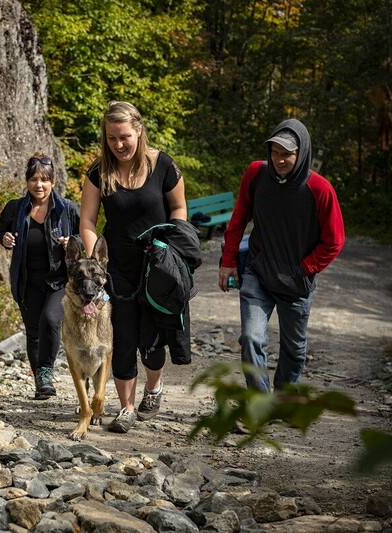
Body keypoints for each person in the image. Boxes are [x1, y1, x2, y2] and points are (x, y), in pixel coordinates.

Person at [79, 101, 188, 433]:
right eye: (111, 138)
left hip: (157, 266)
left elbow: (179, 208)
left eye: (124, 137)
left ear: (138, 130)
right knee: (122, 337)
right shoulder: (99, 172)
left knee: (152, 340)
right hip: (117, 268)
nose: (118, 145)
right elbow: (87, 220)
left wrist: (171, 245)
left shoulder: (163, 165)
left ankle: (153, 388)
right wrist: (94, 262)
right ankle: (126, 408)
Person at [218, 118, 345, 392]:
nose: (279, 160)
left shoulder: (320, 189)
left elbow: (334, 241)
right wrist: (228, 262)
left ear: (302, 153)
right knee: (251, 339)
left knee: (294, 349)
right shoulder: (256, 174)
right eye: (275, 152)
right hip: (258, 272)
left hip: (296, 282)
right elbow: (238, 221)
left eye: (287, 153)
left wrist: (304, 268)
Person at [0, 152, 80, 399]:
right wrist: (5, 238)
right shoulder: (15, 208)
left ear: (53, 181)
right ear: (27, 181)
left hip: (59, 280)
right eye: (33, 179)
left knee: (50, 321)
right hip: (27, 280)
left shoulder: (66, 209)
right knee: (33, 332)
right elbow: (1, 231)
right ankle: (40, 381)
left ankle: (45, 371)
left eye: (44, 180)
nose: (39, 185)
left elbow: (84, 237)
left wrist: (72, 243)